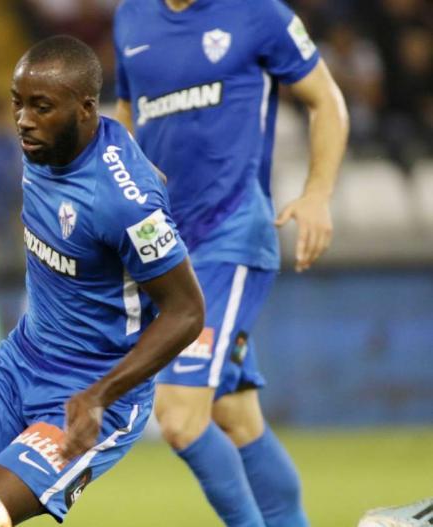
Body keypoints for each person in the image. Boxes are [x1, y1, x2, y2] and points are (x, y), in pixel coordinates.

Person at [0, 35, 205, 527]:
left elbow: (188, 312)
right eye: (17, 103)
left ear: (85, 109)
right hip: (18, 363)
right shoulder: (44, 145)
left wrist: (99, 395)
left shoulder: (124, 202)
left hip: (88, 394)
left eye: (41, 107)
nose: (24, 120)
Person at [112, 1, 349, 525]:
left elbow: (326, 99)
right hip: (168, 254)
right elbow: (127, 117)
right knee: (234, 416)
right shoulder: (131, 16)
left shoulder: (257, 13)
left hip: (231, 235)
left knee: (179, 417)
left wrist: (317, 193)